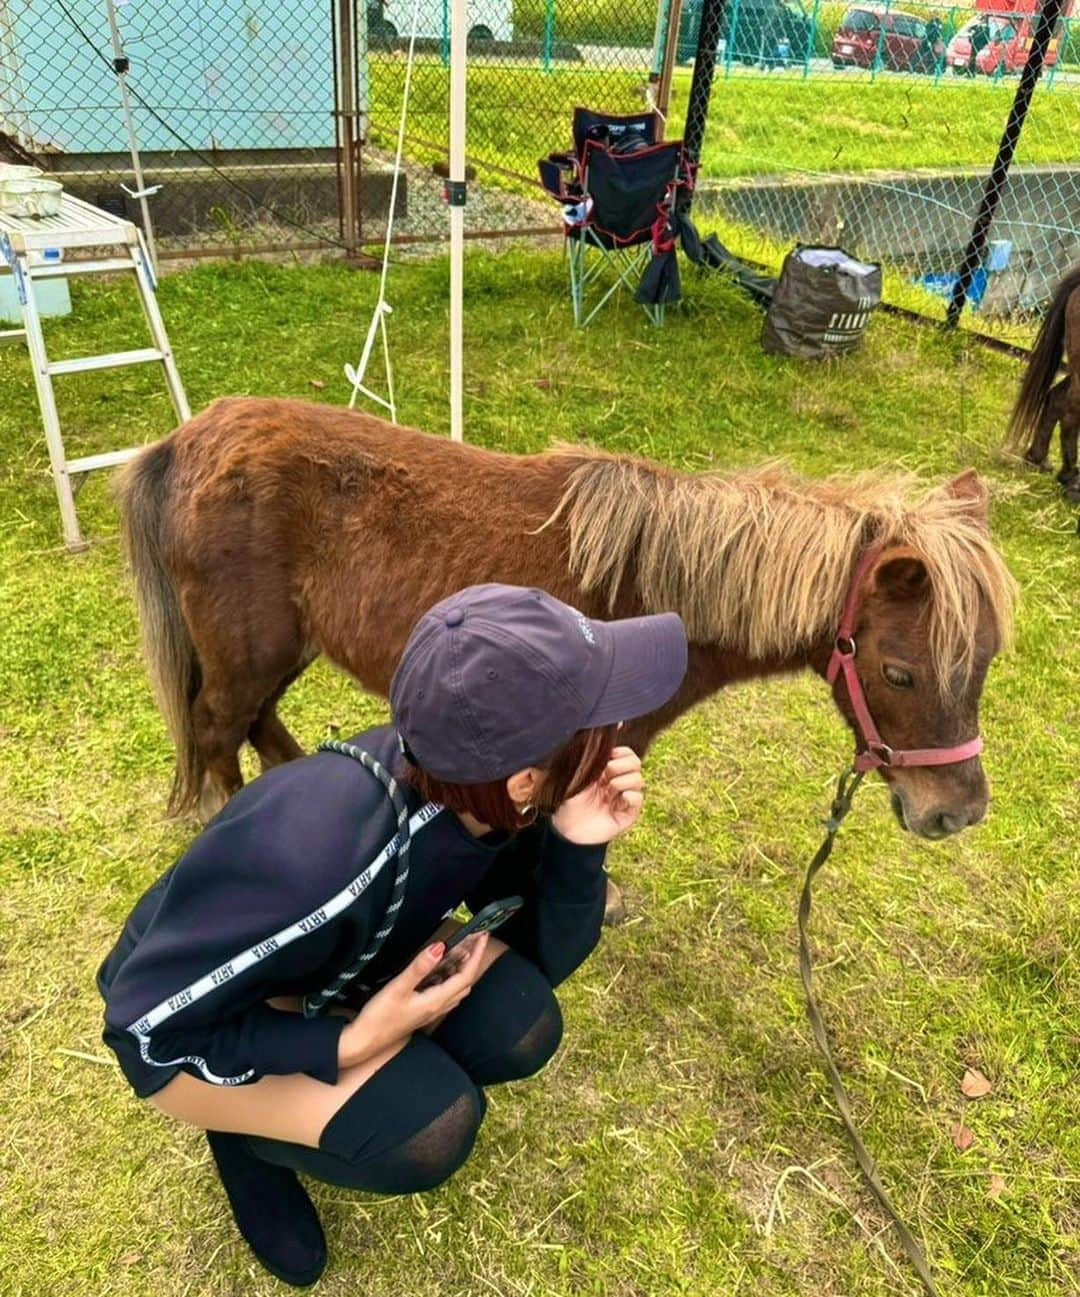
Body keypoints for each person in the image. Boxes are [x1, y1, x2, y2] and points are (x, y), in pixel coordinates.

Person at [97, 584, 688, 1286]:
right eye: (600, 716)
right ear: (527, 776)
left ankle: (312, 1088)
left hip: (341, 949)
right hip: (194, 1021)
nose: (619, 728)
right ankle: (245, 1138)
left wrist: (579, 845)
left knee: (519, 1021)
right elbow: (143, 1027)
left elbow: (541, 953)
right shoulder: (316, 850)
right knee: (429, 1125)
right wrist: (353, 1041)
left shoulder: (480, 793)